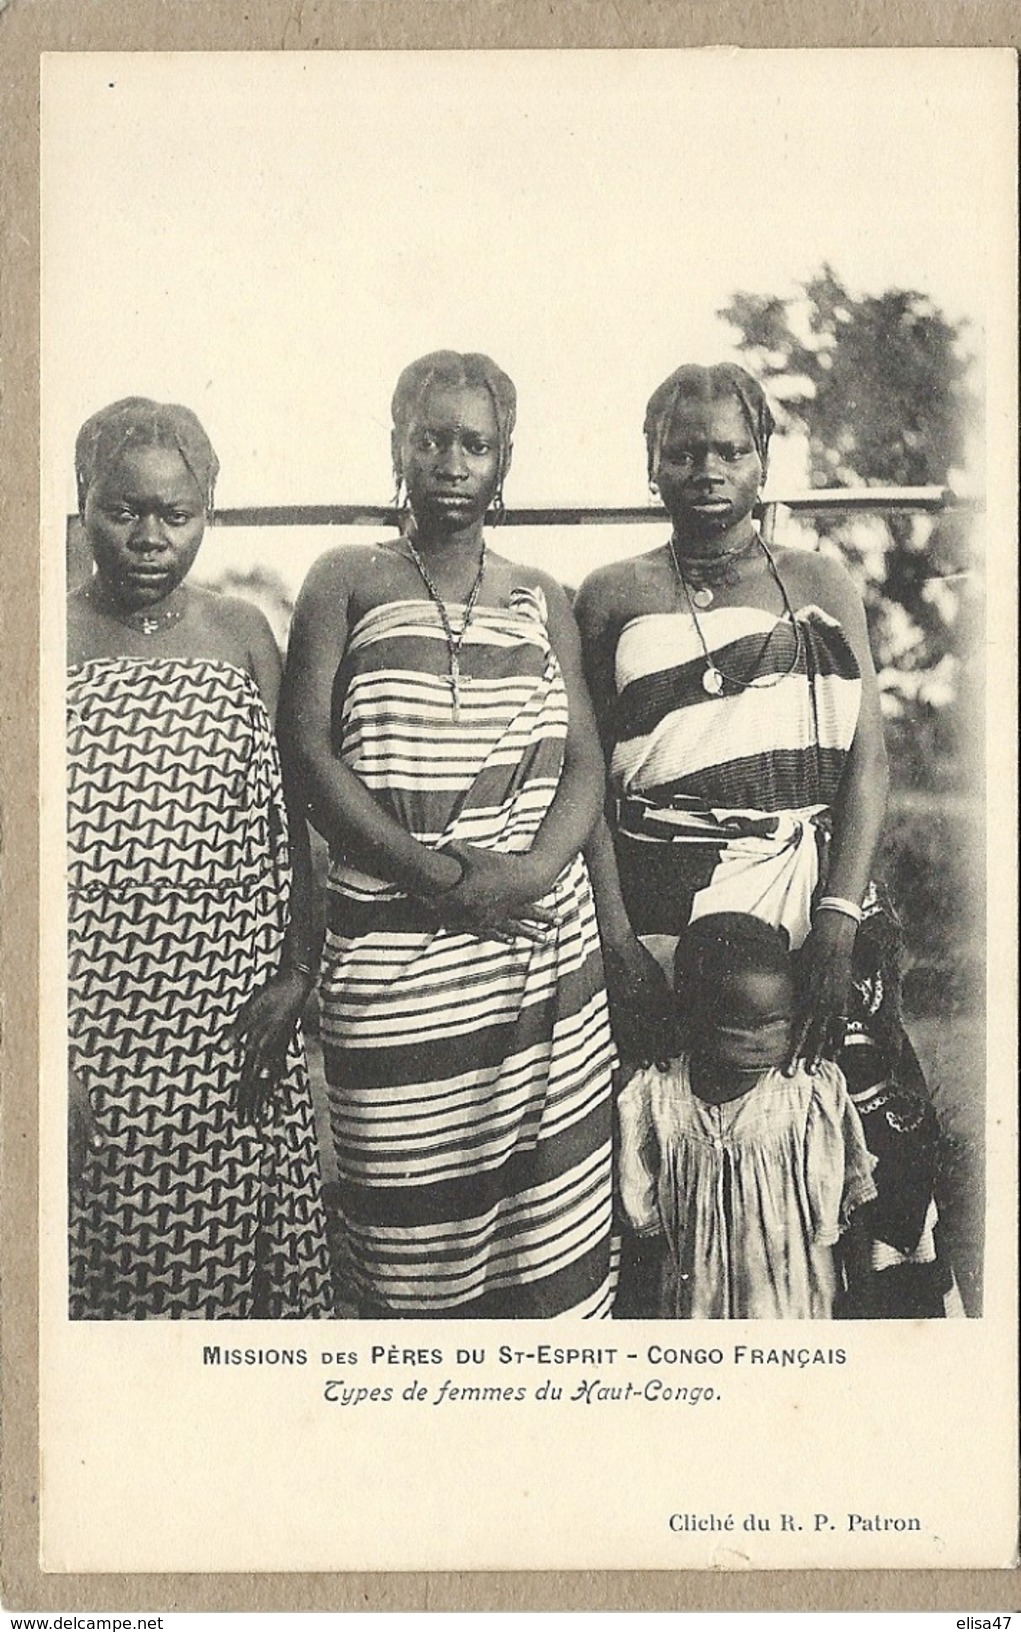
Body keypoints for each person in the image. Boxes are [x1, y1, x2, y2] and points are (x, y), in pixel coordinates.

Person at [576, 361, 959, 1317]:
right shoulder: (611, 594)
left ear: (761, 464)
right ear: (651, 464)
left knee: (863, 1155)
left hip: (817, 898)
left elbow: (866, 761)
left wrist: (835, 917)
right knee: (682, 1154)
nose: (706, 468)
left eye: (728, 450)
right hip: (669, 917)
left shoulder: (821, 579)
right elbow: (585, 780)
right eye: (683, 450)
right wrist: (618, 940)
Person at [281, 350, 616, 1318]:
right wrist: (437, 876)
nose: (453, 461)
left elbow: (583, 759)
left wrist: (530, 874)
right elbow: (307, 754)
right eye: (432, 439)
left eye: (475, 443)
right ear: (398, 446)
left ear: (503, 458)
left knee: (542, 1247)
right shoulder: (346, 576)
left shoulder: (540, 594)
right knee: (401, 1234)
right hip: (392, 953)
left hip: (534, 952)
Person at [67, 397, 333, 1319]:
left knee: (223, 1277)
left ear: (206, 516)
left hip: (232, 1018)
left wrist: (299, 971)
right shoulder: (42, 641)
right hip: (89, 1022)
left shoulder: (242, 635)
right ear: (82, 503)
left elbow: (296, 821)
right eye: (123, 511)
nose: (149, 537)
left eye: (174, 516)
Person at [617, 914, 877, 1319]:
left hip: (792, 1304)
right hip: (697, 1305)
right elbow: (644, 1227)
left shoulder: (806, 1091)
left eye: (777, 1023)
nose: (763, 1043)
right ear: (691, 1020)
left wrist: (861, 1290)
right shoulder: (659, 1095)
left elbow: (850, 1195)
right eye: (741, 1027)